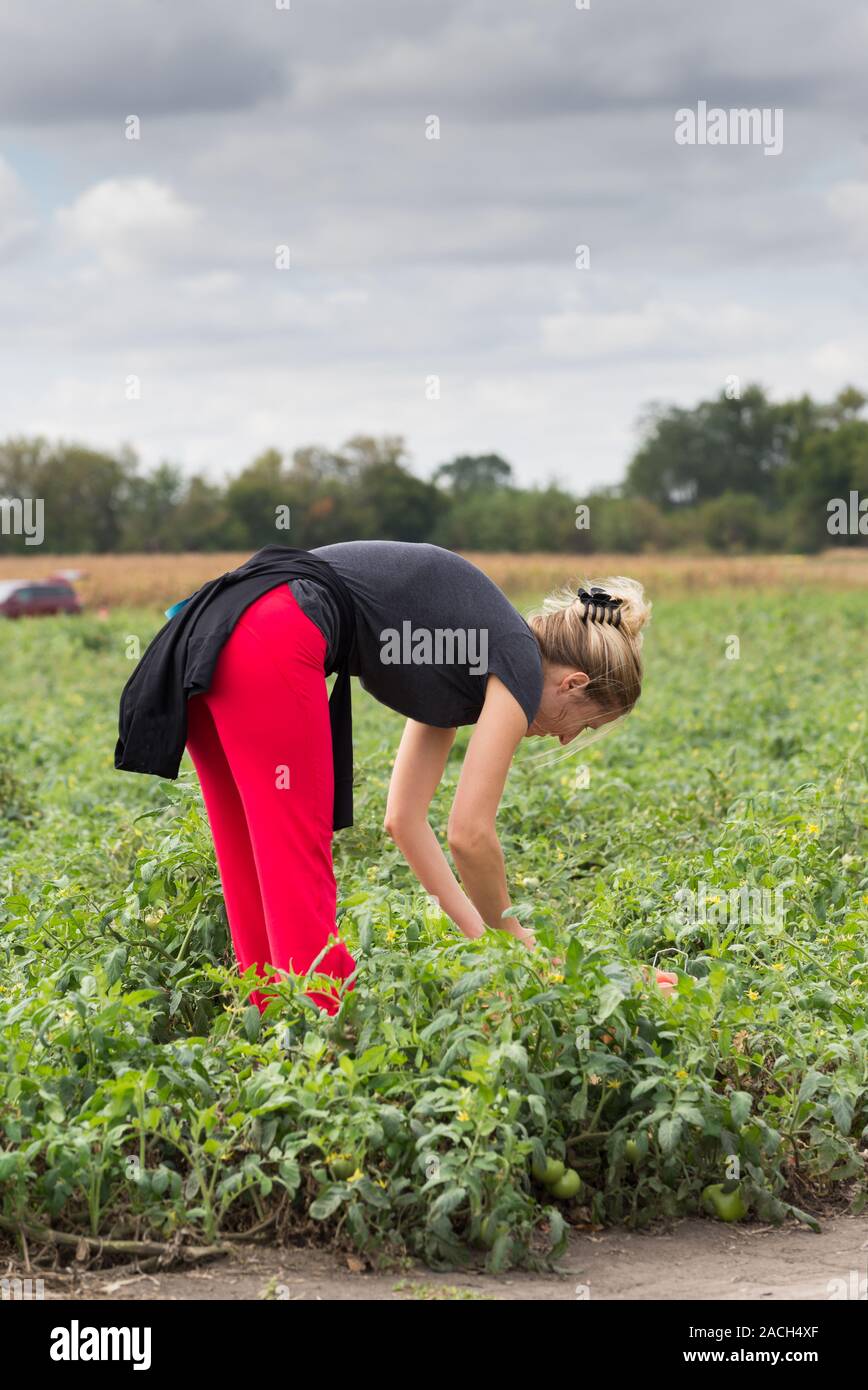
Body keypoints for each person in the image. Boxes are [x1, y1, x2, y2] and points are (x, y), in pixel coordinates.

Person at [118, 541, 664, 1015]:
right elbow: (470, 834)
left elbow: (405, 820)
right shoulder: (517, 659)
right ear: (573, 683)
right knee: (293, 862)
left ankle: (270, 1030)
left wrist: (492, 951)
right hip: (271, 631)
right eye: (584, 724)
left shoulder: (467, 657)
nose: (567, 739)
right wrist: (517, 939)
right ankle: (320, 1045)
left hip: (220, 628)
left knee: (251, 855)